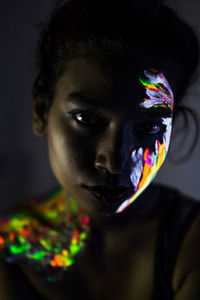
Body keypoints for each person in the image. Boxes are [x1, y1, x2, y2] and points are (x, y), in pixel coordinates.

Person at [0, 0, 200, 299]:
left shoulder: (191, 242)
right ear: (41, 111)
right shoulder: (8, 247)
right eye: (87, 119)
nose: (115, 162)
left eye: (148, 129)